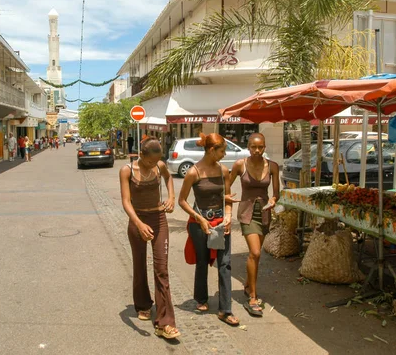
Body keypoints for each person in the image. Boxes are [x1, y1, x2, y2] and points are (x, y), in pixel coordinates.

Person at [119, 137, 180, 340]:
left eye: (156, 161)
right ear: (141, 155)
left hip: (158, 219)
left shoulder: (160, 165)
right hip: (138, 220)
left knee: (161, 269)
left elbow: (169, 178)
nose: (153, 165)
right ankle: (143, 304)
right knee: (139, 265)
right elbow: (126, 201)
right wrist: (138, 223)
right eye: (150, 161)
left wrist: (171, 197)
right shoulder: (127, 170)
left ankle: (165, 322)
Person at [178, 133, 238, 327]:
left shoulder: (224, 170)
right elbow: (182, 201)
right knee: (202, 261)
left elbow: (227, 197)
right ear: (211, 150)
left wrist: (228, 215)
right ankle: (201, 299)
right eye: (222, 151)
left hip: (220, 222)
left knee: (225, 264)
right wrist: (200, 219)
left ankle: (225, 310)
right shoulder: (193, 172)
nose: (224, 154)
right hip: (199, 223)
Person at [227, 133, 280, 317]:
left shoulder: (272, 166)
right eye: (253, 147)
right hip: (246, 213)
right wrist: (226, 198)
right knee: (255, 252)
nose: (257, 150)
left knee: (257, 256)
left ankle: (249, 283)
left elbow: (276, 193)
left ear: (265, 147)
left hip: (264, 213)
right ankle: (252, 297)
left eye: (261, 147)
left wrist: (273, 199)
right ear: (248, 147)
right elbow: (227, 183)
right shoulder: (240, 165)